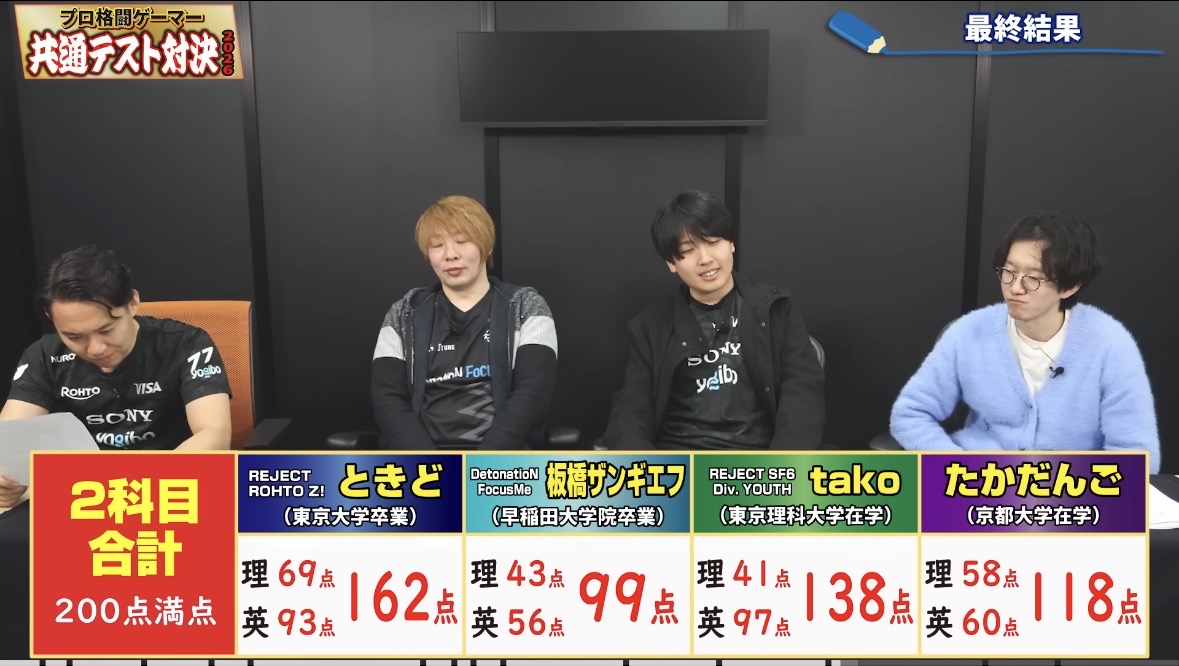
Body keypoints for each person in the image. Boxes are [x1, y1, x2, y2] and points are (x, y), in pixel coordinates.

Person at [0, 245, 232, 658]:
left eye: (107, 330)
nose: (94, 348)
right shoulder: (44, 357)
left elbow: (213, 435)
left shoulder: (186, 343)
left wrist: (138, 481)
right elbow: (9, 435)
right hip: (78, 496)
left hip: (168, 489)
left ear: (132, 303)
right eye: (74, 336)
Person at [890, 213, 1161, 473]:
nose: (1015, 288)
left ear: (1070, 286)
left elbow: (1137, 452)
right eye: (1009, 271)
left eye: (1033, 278)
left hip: (1070, 490)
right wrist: (957, 467)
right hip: (979, 483)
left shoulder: (1110, 344)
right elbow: (910, 413)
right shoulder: (968, 332)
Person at [603, 190, 825, 450]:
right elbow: (631, 411)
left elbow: (802, 394)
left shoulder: (776, 309)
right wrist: (647, 465)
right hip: (678, 460)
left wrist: (782, 465)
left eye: (713, 242)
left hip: (756, 459)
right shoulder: (650, 327)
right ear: (671, 263)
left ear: (731, 243)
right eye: (687, 250)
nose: (705, 259)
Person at [372, 195, 558, 450]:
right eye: (437, 245)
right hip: (422, 463)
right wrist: (431, 464)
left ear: (487, 246)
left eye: (462, 241)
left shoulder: (527, 307)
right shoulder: (403, 313)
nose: (450, 255)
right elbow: (388, 399)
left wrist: (482, 463)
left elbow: (531, 394)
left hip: (501, 460)